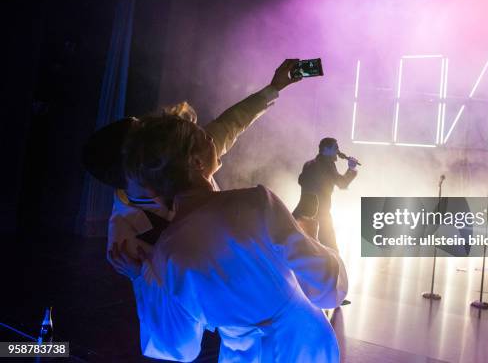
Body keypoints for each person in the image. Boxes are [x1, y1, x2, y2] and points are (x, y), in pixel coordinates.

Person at [110, 114, 348, 362]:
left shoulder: (168, 251)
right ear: (196, 162)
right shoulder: (256, 201)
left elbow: (178, 345)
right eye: (205, 137)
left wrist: (142, 278)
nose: (213, 140)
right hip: (304, 346)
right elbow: (327, 286)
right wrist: (310, 237)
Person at [82, 59, 302, 264]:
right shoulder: (124, 237)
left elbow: (231, 123)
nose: (155, 128)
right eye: (144, 133)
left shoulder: (185, 154)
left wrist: (274, 88)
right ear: (133, 163)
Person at [295, 138, 358, 252]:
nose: (338, 151)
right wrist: (351, 168)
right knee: (332, 250)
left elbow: (301, 181)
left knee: (302, 249)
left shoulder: (309, 164)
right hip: (321, 215)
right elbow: (342, 184)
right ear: (325, 149)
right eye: (335, 148)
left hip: (303, 213)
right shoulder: (327, 166)